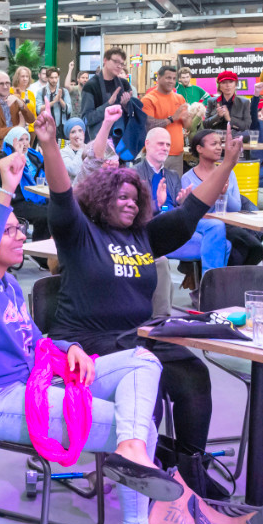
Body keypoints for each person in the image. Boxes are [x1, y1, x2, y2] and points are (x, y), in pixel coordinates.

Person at [0, 151, 182, 524]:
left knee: (141, 361)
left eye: (18, 227)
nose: (21, 234)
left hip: (31, 383)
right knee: (136, 428)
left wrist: (67, 348)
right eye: (8, 230)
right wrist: (6, 191)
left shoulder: (7, 282)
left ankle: (131, 460)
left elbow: (34, 339)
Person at [32, 107, 238, 495]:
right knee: (150, 381)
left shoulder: (145, 235)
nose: (129, 203)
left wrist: (226, 164)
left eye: (134, 198)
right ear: (100, 198)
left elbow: (192, 210)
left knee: (193, 373)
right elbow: (61, 196)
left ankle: (189, 468)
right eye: (120, 197)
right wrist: (48, 145)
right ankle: (145, 469)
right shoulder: (79, 233)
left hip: (138, 337)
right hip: (87, 345)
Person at [134, 126, 229, 277]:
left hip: (177, 219)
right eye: (160, 144)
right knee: (223, 245)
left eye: (168, 145)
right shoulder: (134, 173)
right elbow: (133, 211)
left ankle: (206, 290)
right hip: (155, 225)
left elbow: (181, 208)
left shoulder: (172, 175)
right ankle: (208, 291)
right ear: (147, 144)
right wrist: (157, 203)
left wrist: (185, 202)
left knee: (217, 227)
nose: (165, 148)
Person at [181, 128, 263, 267]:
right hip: (207, 225)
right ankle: (224, 282)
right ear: (199, 148)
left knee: (251, 249)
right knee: (253, 248)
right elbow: (197, 211)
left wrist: (223, 194)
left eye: (220, 143)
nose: (218, 148)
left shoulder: (229, 173)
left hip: (230, 222)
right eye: (213, 144)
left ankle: (229, 282)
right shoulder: (188, 178)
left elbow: (236, 207)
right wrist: (215, 192)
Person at [0, 127, 49, 245]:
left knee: (59, 208)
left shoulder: (33, 156)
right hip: (16, 202)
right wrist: (17, 155)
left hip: (35, 197)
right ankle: (39, 250)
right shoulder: (4, 157)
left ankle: (54, 248)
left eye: (27, 139)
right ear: (12, 141)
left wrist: (46, 159)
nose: (25, 143)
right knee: (46, 214)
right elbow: (11, 176)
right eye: (21, 140)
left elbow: (41, 175)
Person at [141, 65, 191, 176]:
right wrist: (172, 118)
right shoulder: (148, 99)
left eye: (174, 79)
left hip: (177, 155)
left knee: (175, 191)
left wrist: (189, 118)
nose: (171, 81)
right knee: (152, 190)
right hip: (155, 154)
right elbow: (149, 126)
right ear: (158, 78)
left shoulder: (180, 98)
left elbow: (187, 125)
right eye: (168, 78)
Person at [80, 48, 133, 140]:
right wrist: (108, 104)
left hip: (121, 140)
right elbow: (86, 119)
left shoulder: (124, 84)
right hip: (98, 140)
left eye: (122, 64)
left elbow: (133, 115)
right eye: (116, 62)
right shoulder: (91, 86)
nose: (119, 66)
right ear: (105, 60)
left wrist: (126, 106)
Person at [0, 70, 34, 165]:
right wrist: (19, 127)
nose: (5, 86)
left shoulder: (15, 98)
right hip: (0, 152)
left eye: (7, 83)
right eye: (1, 84)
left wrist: (21, 104)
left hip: (20, 149)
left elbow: (31, 119)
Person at [36, 67, 71, 134]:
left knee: (61, 144)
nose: (54, 80)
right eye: (51, 78)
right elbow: (38, 109)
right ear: (47, 78)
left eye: (56, 77)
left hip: (61, 128)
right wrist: (53, 102)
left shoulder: (64, 91)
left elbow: (69, 110)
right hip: (45, 128)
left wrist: (60, 99)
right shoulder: (41, 92)